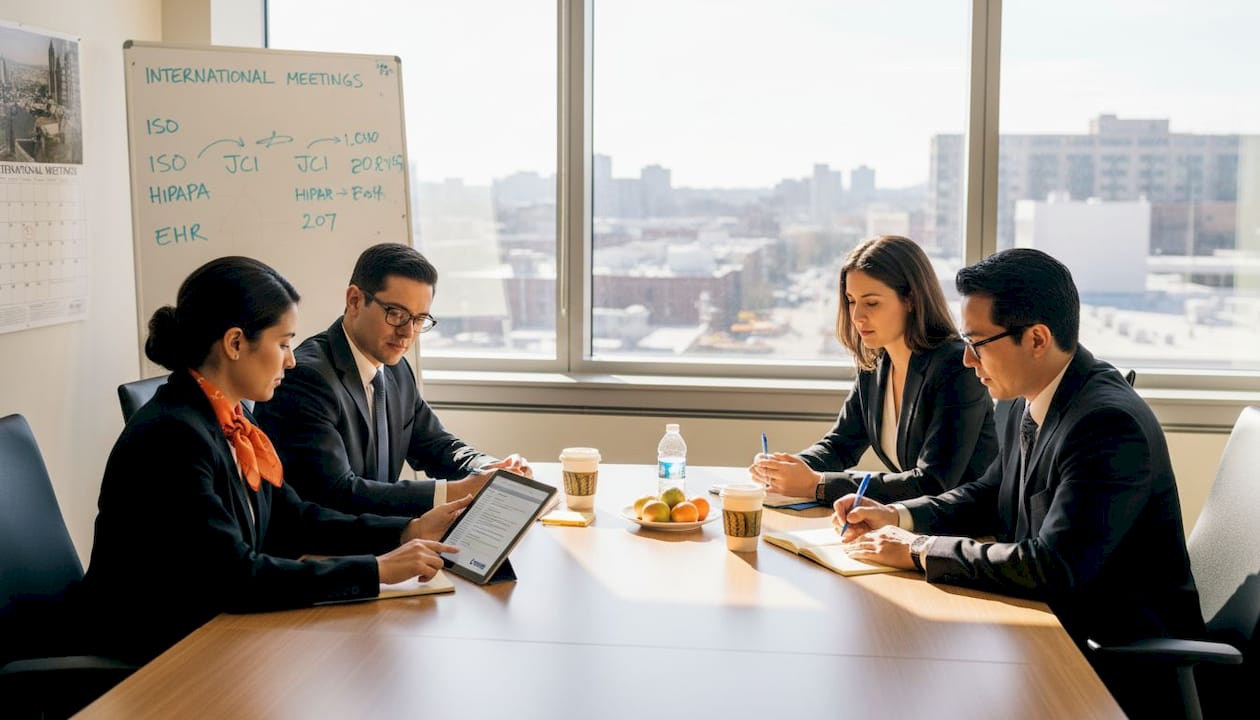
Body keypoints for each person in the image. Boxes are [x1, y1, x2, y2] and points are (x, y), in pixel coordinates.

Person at [835, 248, 1203, 718]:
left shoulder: (1108, 424)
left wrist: (918, 548)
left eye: (978, 343)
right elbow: (991, 494)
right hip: (1043, 625)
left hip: (1109, 658)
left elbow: (1053, 565)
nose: (967, 360)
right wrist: (899, 515)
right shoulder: (1020, 399)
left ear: (1036, 338)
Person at [81, 257, 463, 665]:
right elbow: (237, 578)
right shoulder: (174, 436)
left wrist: (406, 531)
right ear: (234, 343)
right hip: (153, 652)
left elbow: (291, 520)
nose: (292, 360)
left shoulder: (231, 419)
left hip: (211, 634)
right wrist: (376, 570)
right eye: (283, 343)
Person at [254, 243, 531, 517]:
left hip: (384, 540)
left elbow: (436, 445)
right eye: (396, 314)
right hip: (330, 550)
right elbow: (336, 494)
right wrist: (457, 491)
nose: (407, 332)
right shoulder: (306, 379)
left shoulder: (396, 368)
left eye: (419, 319)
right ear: (354, 300)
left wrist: (491, 469)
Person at [750, 235, 997, 504]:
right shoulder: (876, 363)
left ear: (911, 300)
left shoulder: (956, 367)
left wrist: (818, 485)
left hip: (969, 530)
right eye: (851, 300)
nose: (856, 316)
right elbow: (841, 445)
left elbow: (932, 482)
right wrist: (786, 469)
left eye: (871, 303)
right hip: (913, 523)